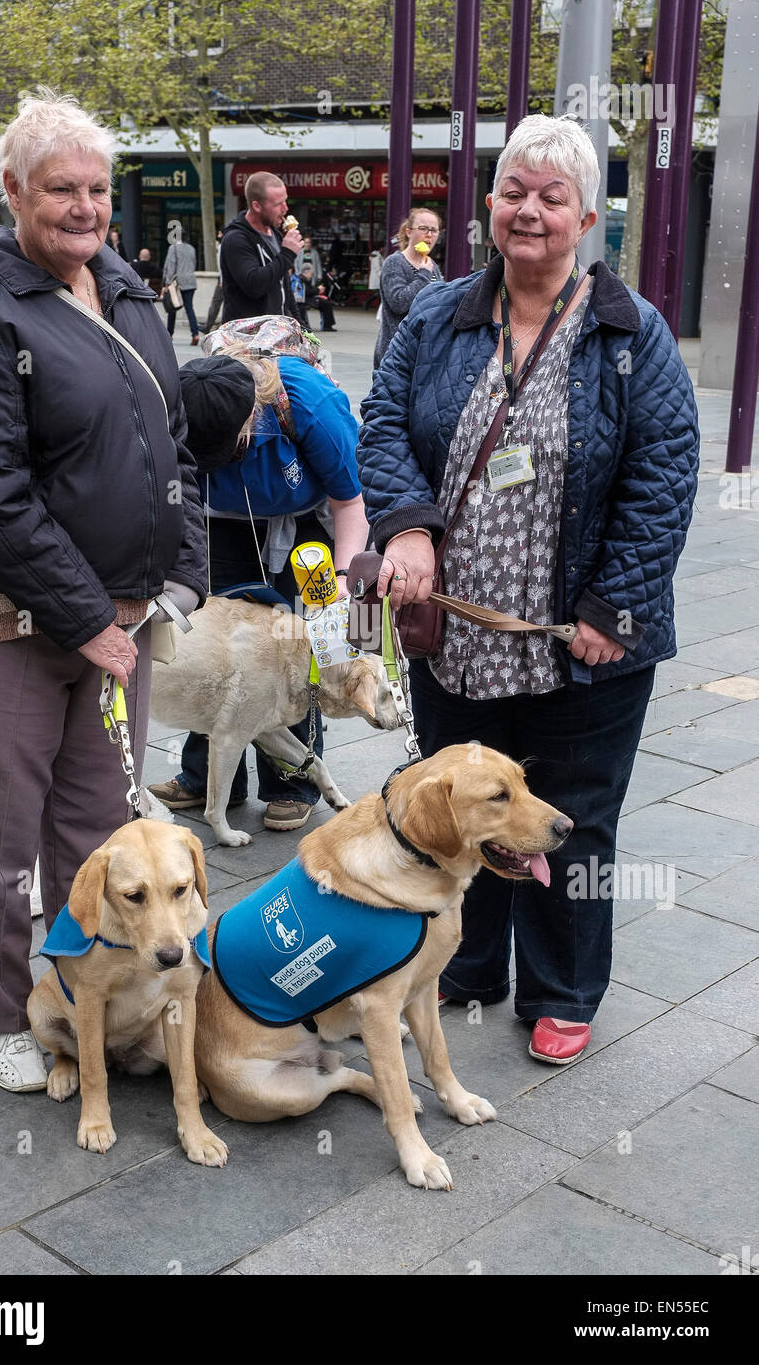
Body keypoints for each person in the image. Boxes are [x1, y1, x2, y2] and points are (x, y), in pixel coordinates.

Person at [357, 114, 700, 1065]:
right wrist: (409, 527)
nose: (531, 212)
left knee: (571, 821)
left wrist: (612, 611)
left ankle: (563, 988)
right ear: (489, 205)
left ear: (586, 217)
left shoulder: (632, 336)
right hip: (456, 638)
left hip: (576, 647)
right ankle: (469, 961)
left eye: (554, 198)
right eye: (515, 191)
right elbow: (382, 422)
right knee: (468, 811)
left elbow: (665, 472)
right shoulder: (439, 315)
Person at [0, 91, 207, 1092]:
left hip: (121, 620)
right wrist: (86, 619)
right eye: (59, 190)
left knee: (96, 836)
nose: (83, 208)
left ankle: (96, 1002)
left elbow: (172, 438)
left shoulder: (122, 288)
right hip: (5, 624)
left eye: (95, 188)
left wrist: (183, 570)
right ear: (11, 193)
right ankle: (1, 1015)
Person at [150, 343, 369, 832]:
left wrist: (337, 583)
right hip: (220, 522)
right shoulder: (179, 404)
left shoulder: (307, 403)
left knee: (295, 652)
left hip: (305, 527)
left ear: (248, 422)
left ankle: (291, 783)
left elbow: (351, 503)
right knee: (214, 650)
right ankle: (204, 777)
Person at [220, 171, 303, 322]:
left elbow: (285, 291)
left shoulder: (276, 234)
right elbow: (254, 285)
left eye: (285, 201)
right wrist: (287, 254)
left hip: (275, 335)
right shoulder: (236, 239)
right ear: (257, 206)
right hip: (247, 337)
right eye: (278, 204)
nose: (285, 208)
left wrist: (303, 330)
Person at [373, 208, 443, 370]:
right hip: (396, 353)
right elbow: (398, 302)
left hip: (425, 352)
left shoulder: (432, 266)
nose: (429, 235)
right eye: (423, 229)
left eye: (434, 230)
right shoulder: (395, 262)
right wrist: (424, 275)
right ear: (409, 231)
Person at [162, 228, 200, 344]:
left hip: (177, 282)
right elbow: (193, 263)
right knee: (189, 308)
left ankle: (169, 334)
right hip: (190, 281)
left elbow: (170, 266)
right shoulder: (191, 248)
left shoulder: (173, 248)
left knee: (172, 308)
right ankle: (195, 334)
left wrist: (167, 283)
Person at [204, 229, 224, 333]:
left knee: (216, 303)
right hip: (224, 278)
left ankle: (208, 326)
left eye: (220, 233)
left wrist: (222, 279)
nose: (218, 235)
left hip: (223, 279)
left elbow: (221, 264)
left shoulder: (222, 246)